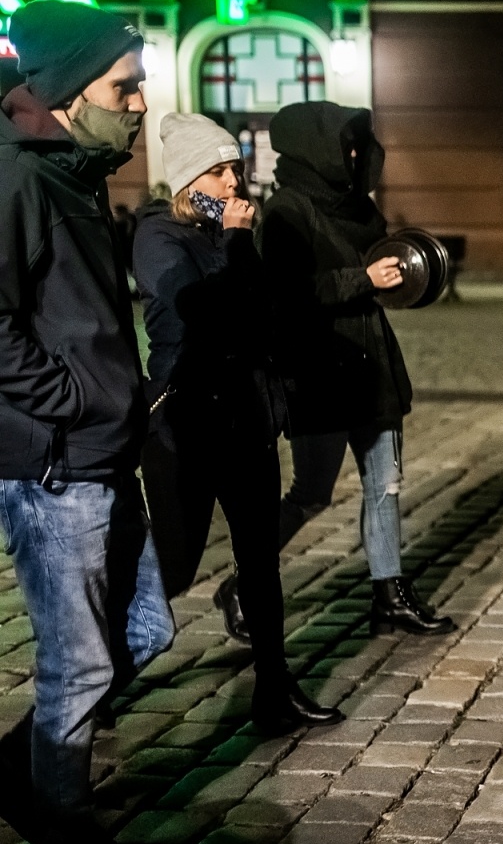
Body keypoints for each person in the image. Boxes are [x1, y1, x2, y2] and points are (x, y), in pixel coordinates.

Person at [0, 0, 175, 844]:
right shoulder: (19, 180)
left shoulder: (75, 172)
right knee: (78, 665)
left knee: (145, 631)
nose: (140, 102)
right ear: (70, 92)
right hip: (55, 466)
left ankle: (17, 771)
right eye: (126, 86)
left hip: (106, 451)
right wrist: (69, 401)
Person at [135, 113, 343, 735]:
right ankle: (96, 679)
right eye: (219, 171)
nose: (234, 182)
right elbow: (205, 313)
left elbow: (261, 313)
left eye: (235, 169)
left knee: (260, 565)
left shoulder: (230, 232)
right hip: (187, 426)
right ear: (188, 179)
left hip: (249, 418)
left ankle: (274, 691)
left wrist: (238, 246)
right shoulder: (158, 237)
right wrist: (233, 243)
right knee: (174, 564)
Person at [248, 100, 455, 638]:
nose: (356, 154)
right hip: (319, 369)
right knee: (311, 493)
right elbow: (285, 295)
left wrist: (410, 276)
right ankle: (244, 584)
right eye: (346, 144)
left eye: (359, 145)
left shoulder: (359, 207)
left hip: (372, 367)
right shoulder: (286, 211)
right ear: (315, 148)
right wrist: (363, 280)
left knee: (384, 483)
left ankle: (389, 593)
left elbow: (388, 271)